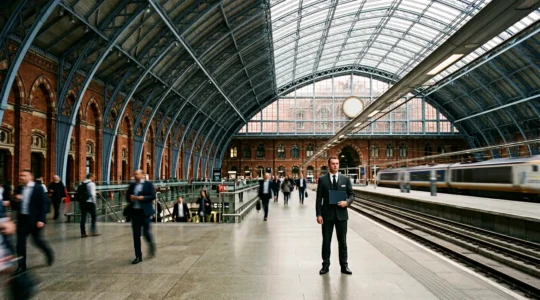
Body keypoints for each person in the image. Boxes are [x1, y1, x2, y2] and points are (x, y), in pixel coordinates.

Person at [316, 157, 354, 275]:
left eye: (337, 163)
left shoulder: (345, 179)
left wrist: (347, 202)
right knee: (326, 241)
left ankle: (344, 266)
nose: (335, 166)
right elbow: (319, 199)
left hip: (341, 216)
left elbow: (352, 195)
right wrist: (318, 214)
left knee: (342, 242)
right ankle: (325, 265)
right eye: (333, 164)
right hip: (327, 216)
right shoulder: (322, 180)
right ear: (329, 165)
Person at [14, 170, 54, 272]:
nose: (21, 177)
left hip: (35, 220)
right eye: (20, 175)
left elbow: (44, 205)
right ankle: (21, 265)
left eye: (24, 175)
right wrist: (16, 200)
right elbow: (14, 205)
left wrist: (41, 219)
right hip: (22, 219)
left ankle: (48, 252)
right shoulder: (19, 188)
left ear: (31, 177)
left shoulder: (38, 188)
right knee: (20, 243)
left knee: (37, 240)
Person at [127, 170, 156, 264]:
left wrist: (143, 198)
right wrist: (130, 197)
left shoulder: (148, 184)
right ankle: (138, 256)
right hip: (135, 212)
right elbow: (127, 196)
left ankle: (151, 245)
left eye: (137, 174)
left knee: (146, 232)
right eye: (134, 174)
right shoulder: (132, 185)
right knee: (136, 235)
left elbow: (153, 196)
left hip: (145, 212)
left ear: (142, 175)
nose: (135, 176)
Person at [79, 174, 100, 238]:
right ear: (91, 177)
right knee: (93, 216)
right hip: (90, 202)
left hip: (83, 202)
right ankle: (93, 231)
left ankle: (83, 233)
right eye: (93, 177)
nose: (94, 178)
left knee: (83, 218)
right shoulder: (91, 184)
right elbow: (92, 194)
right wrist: (95, 202)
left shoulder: (81, 183)